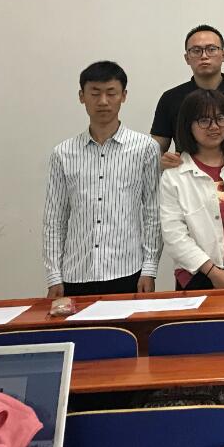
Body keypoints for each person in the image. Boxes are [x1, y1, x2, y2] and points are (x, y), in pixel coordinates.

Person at [43, 61, 162, 297]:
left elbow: (153, 211)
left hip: (128, 270)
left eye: (111, 93)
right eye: (95, 93)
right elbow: (54, 218)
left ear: (123, 96)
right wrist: (53, 275)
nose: (103, 101)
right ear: (82, 96)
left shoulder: (145, 148)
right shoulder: (63, 153)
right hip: (76, 273)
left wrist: (150, 268)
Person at [159, 89, 224, 290]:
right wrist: (213, 272)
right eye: (204, 120)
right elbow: (174, 234)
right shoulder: (174, 175)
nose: (214, 127)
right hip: (195, 275)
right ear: (188, 125)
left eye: (221, 118)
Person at [151, 24, 224, 154]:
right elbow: (156, 150)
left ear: (223, 55)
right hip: (186, 166)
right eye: (196, 50)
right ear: (187, 58)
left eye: (211, 49)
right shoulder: (171, 98)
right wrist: (165, 161)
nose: (204, 56)